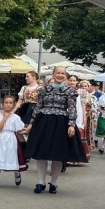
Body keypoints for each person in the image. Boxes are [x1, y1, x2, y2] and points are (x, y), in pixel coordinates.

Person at [22, 65, 84, 194]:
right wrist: (31, 124)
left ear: (65, 76)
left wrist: (71, 124)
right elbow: (38, 107)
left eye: (63, 73)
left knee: (57, 154)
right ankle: (40, 182)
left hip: (61, 123)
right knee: (41, 154)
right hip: (43, 122)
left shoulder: (70, 91)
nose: (60, 75)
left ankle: (53, 183)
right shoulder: (44, 89)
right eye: (58, 73)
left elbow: (72, 108)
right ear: (53, 74)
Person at [0, 96, 27, 189]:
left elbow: (18, 130)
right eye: (6, 102)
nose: (8, 104)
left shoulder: (16, 117)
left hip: (11, 138)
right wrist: (5, 118)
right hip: (0, 138)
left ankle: (16, 173)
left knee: (12, 157)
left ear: (13, 105)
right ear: (2, 104)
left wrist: (27, 130)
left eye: (10, 103)